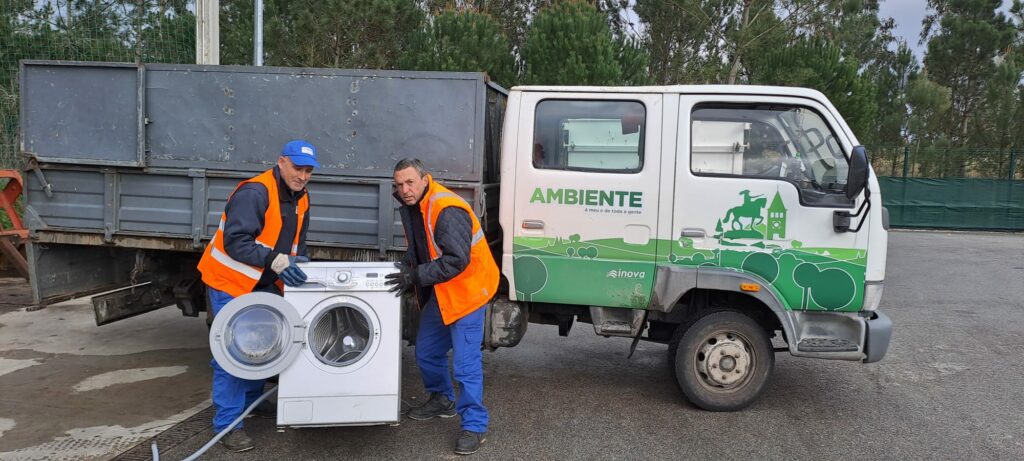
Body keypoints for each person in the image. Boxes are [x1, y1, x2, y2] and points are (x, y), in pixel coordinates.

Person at [196, 139, 318, 452]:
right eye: (297, 167)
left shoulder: (300, 198)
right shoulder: (255, 192)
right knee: (233, 353)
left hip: (262, 280)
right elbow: (236, 241)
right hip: (230, 280)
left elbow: (296, 246)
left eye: (308, 170)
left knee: (261, 346)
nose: (302, 175)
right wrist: (276, 262)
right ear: (281, 162)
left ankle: (250, 403)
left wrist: (300, 267)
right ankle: (228, 425)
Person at [386, 158, 499, 456]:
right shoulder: (417, 206)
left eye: (410, 182)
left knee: (465, 365)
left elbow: (456, 260)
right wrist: (407, 264)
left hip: (469, 292)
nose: (405, 189)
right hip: (446, 289)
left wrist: (415, 276)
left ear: (425, 179)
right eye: (399, 184)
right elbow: (424, 247)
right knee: (426, 352)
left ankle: (474, 426)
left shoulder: (444, 208)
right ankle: (441, 400)